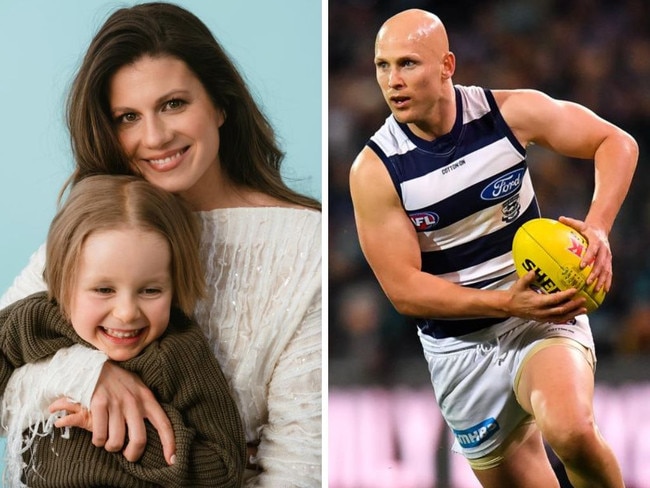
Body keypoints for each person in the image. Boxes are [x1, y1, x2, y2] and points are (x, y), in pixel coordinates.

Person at [0, 2, 322, 486]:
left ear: (220, 103)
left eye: (174, 104)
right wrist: (90, 376)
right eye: (128, 116)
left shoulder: (307, 245)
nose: (154, 136)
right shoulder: (93, 229)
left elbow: (301, 465)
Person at [349, 9, 637, 488]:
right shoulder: (375, 170)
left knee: (572, 431)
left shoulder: (507, 113)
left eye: (408, 64)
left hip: (540, 315)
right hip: (458, 350)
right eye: (383, 66)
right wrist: (504, 300)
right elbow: (405, 292)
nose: (392, 81)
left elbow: (616, 142)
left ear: (446, 65)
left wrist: (599, 228)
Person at [0, 175, 245, 487]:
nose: (127, 313)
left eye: (151, 290)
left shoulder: (179, 352)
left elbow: (224, 469)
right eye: (104, 289)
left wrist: (128, 429)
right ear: (63, 284)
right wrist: (77, 376)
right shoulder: (36, 320)